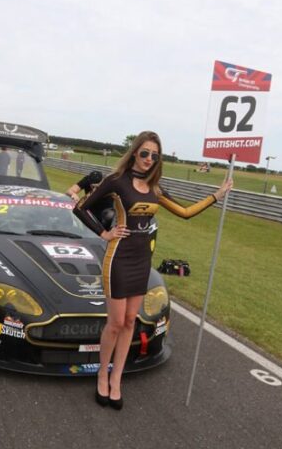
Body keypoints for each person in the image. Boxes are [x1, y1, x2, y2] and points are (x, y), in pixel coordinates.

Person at [73, 131, 232, 410]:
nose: (149, 159)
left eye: (154, 156)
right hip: (118, 258)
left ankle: (116, 379)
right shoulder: (116, 181)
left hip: (141, 260)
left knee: (131, 321)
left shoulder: (156, 188)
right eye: (145, 153)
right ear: (135, 152)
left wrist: (216, 196)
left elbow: (184, 212)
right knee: (115, 323)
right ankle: (101, 373)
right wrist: (104, 233)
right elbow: (81, 208)